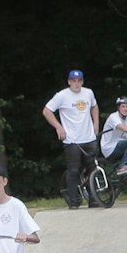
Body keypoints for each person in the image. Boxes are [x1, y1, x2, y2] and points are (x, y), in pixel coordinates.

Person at [42, 69, 100, 208]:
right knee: (73, 170)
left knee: (92, 168)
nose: (76, 83)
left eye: (79, 80)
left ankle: (94, 199)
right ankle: (74, 200)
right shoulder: (62, 96)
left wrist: (96, 123)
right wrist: (58, 127)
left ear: (82, 81)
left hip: (88, 137)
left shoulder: (88, 92)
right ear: (69, 82)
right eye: (73, 81)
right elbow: (46, 111)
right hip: (72, 139)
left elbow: (94, 106)